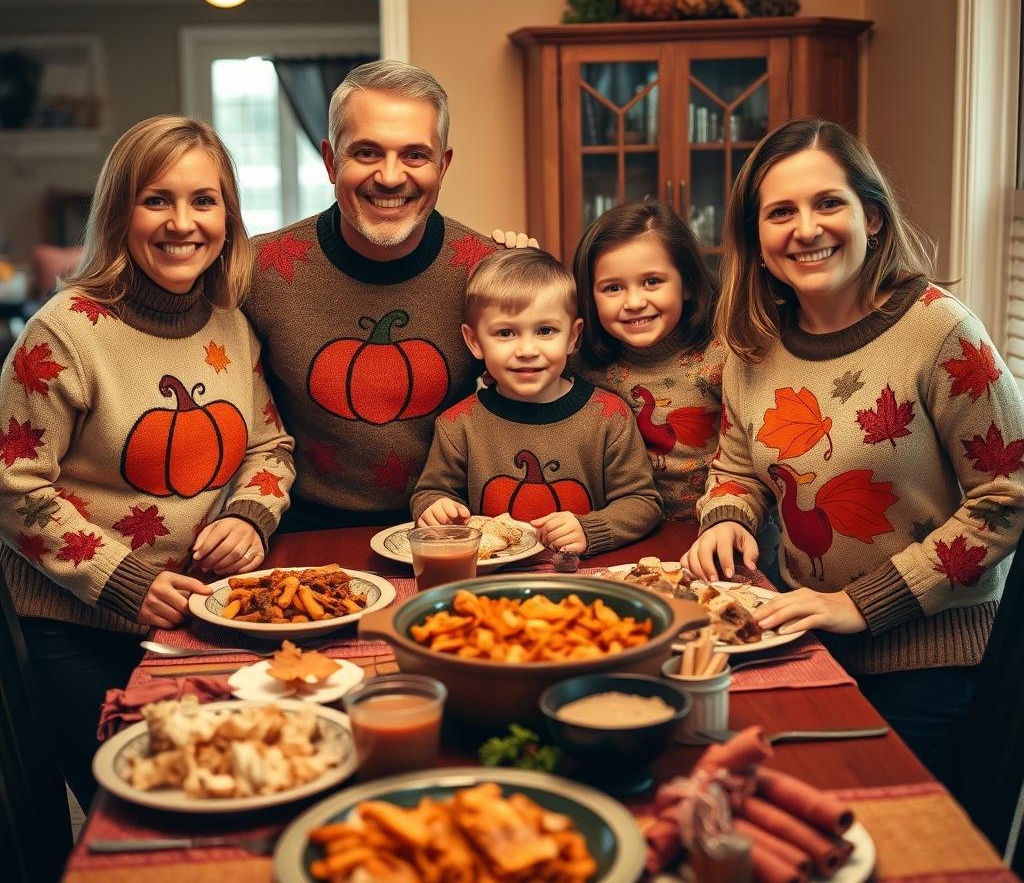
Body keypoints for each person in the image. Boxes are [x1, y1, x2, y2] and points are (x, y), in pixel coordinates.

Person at [684, 118, 1024, 781]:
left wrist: (859, 605)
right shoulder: (751, 343)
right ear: (756, 236)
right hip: (800, 635)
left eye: (827, 203)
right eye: (780, 211)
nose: (805, 228)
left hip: (929, 664)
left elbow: (1005, 499)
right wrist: (725, 518)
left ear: (871, 216)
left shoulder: (940, 330)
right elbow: (734, 467)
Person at [0, 115, 295, 807]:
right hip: (70, 627)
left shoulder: (230, 322)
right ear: (120, 213)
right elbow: (12, 488)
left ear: (228, 216)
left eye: (203, 200)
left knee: (226, 788)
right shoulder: (65, 332)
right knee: (142, 806)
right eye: (156, 199)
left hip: (196, 615)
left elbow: (269, 445)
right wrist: (122, 581)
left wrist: (252, 517)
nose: (181, 222)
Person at [244, 60, 497, 531]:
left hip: (452, 524)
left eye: (415, 156)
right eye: (366, 152)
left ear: (443, 166)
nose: (389, 176)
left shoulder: (489, 272)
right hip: (299, 529)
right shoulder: (258, 271)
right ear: (330, 160)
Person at [411, 248, 662, 555]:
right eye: (506, 332)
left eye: (545, 331)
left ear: (572, 336)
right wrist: (435, 507)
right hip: (490, 579)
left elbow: (642, 500)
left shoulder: (609, 416)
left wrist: (591, 529)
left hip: (582, 573)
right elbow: (432, 490)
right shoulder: (457, 425)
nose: (527, 349)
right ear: (475, 341)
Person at [571, 201, 724, 522]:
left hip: (720, 530)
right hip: (627, 531)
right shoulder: (580, 366)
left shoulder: (723, 355)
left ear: (687, 284)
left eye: (652, 281)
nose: (635, 302)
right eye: (613, 288)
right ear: (589, 296)